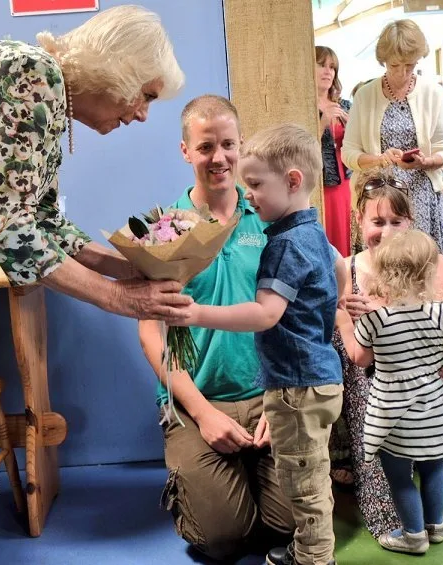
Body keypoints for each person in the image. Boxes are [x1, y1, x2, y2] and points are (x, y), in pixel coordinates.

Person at [0, 6, 192, 564]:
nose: (141, 114)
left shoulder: (36, 81)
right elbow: (12, 231)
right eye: (142, 94)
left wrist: (123, 265)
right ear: (113, 70)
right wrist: (123, 298)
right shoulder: (30, 75)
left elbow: (40, 220)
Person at [175, 123, 344, 565]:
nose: (249, 193)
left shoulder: (283, 242)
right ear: (186, 151)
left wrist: (197, 313)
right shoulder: (312, 233)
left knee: (303, 488)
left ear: (292, 181)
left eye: (255, 184)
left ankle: (313, 559)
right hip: (316, 380)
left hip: (295, 386)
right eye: (206, 147)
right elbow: (341, 268)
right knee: (309, 478)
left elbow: (266, 313)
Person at [138, 95, 294, 561]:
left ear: (241, 145)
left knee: (290, 522)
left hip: (269, 395)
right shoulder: (160, 229)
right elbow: (150, 332)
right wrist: (203, 414)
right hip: (196, 399)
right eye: (206, 147)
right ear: (186, 151)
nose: (219, 157)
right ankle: (205, 477)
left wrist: (284, 398)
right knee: (221, 540)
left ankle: (250, 477)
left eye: (228, 144)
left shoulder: (271, 217)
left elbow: (297, 317)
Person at [332, 170, 443, 539]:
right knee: (402, 480)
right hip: (367, 387)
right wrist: (343, 313)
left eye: (397, 220)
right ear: (359, 222)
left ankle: (411, 532)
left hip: (423, 386)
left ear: (411, 222)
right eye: (378, 221)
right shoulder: (344, 269)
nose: (388, 231)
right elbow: (358, 361)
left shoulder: (439, 267)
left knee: (406, 467)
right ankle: (431, 522)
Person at [342, 19, 443, 258]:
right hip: (377, 199)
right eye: (395, 65)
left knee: (423, 269)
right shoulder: (365, 96)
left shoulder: (432, 93)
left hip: (421, 199)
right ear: (383, 60)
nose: (403, 72)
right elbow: (348, 153)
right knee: (379, 271)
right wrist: (380, 159)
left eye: (410, 65)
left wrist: (427, 161)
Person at [316, 46, 351, 257]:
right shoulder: (302, 106)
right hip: (320, 185)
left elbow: (361, 144)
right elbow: (301, 148)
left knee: (344, 241)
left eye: (332, 67)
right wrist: (322, 122)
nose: (328, 71)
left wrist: (352, 128)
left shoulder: (345, 105)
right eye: (321, 65)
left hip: (344, 185)